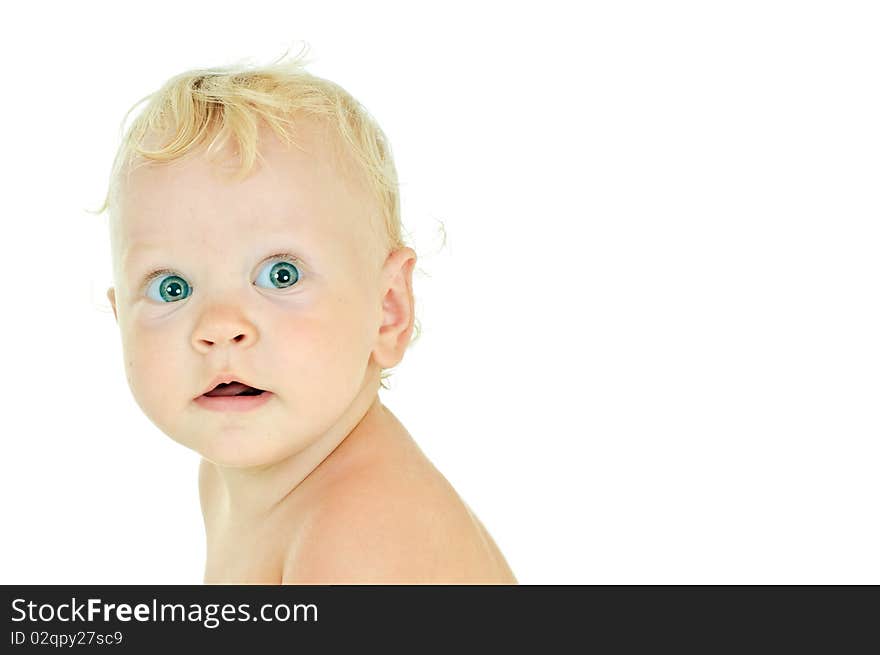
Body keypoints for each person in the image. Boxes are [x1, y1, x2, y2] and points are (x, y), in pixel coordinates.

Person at [97, 50, 517, 584]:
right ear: (120, 322)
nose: (219, 326)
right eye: (171, 287)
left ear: (387, 309)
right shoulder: (230, 475)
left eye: (281, 275)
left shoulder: (358, 541)